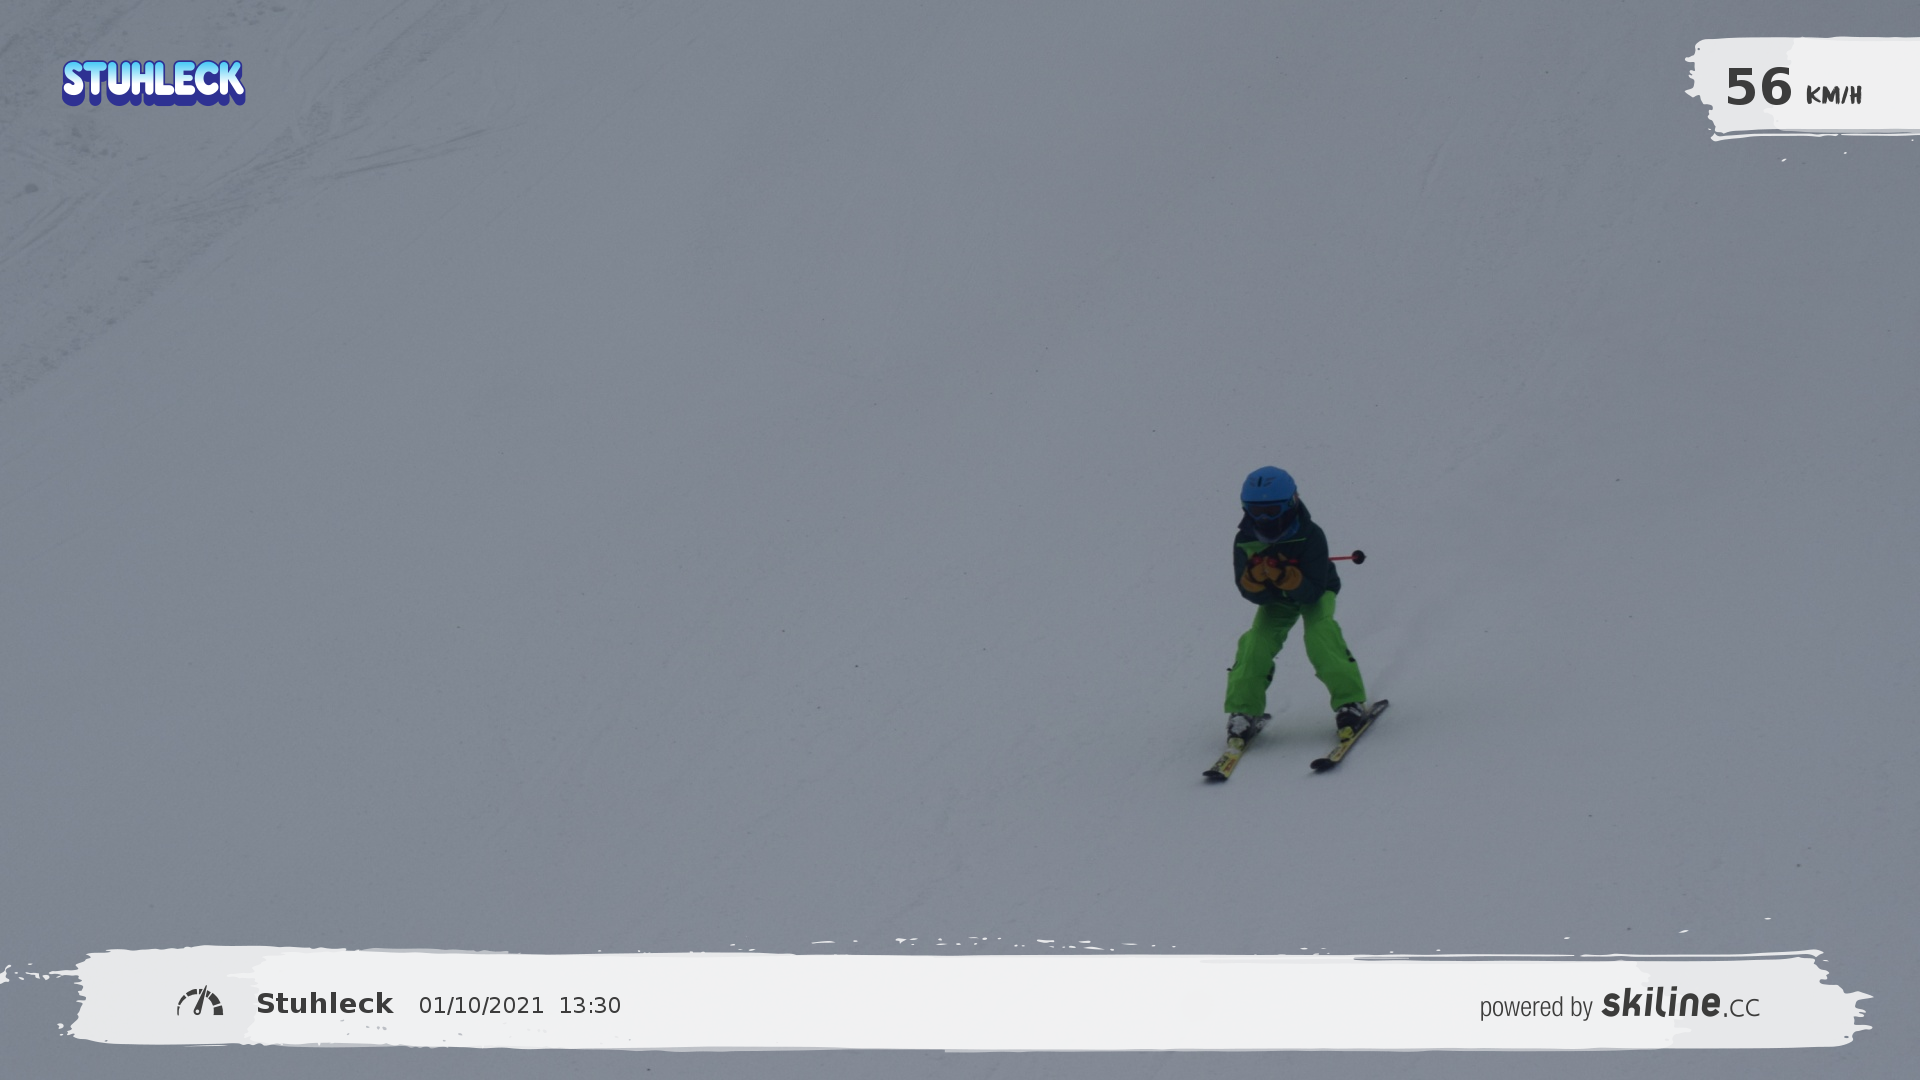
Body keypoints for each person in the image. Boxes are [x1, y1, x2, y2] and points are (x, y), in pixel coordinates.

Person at [1224, 467, 1370, 742]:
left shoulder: (1310, 534)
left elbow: (1313, 593)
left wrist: (1287, 578)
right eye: (1255, 511)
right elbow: (1250, 594)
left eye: (1271, 510)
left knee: (1319, 635)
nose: (1263, 519)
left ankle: (1349, 702)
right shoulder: (1245, 540)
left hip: (1317, 591)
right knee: (1255, 643)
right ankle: (1243, 711)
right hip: (1277, 600)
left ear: (1291, 503)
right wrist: (1254, 583)